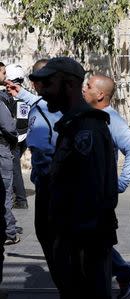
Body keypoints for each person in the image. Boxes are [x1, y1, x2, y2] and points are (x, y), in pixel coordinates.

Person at [29, 56, 118, 299]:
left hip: (82, 244)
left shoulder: (86, 128)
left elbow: (92, 192)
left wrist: (72, 246)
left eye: (48, 84)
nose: (42, 91)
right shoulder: (72, 125)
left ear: (68, 84)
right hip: (71, 241)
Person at [82, 74, 130, 299]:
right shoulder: (90, 115)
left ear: (100, 94)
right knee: (93, 243)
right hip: (87, 191)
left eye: (88, 86)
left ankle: (123, 272)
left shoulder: (111, 120)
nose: (83, 89)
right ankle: (124, 272)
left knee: (95, 242)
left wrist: (122, 182)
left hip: (98, 194)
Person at [5, 58, 62, 285]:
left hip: (56, 177)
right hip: (44, 177)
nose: (34, 83)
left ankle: (66, 277)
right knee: (44, 231)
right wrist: (21, 93)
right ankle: (61, 274)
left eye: (37, 79)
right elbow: (39, 103)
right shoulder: (42, 101)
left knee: (56, 233)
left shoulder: (57, 104)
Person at [3, 64, 29, 209]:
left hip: (14, 138)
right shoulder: (25, 96)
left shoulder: (13, 97)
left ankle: (21, 199)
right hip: (22, 137)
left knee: (14, 169)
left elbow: (17, 122)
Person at [0, 69, 20, 245]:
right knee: (5, 191)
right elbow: (9, 127)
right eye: (3, 72)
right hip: (2, 149)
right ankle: (10, 232)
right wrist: (13, 142)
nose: (5, 76)